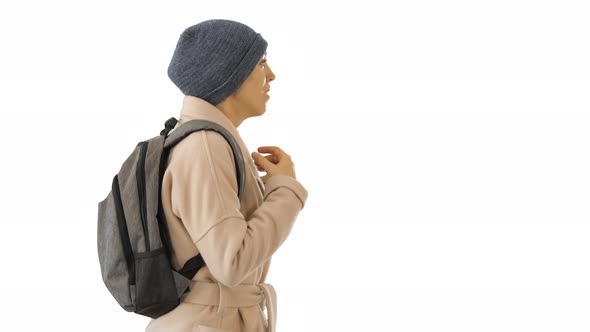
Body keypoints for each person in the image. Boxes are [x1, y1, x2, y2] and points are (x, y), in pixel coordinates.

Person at [144, 19, 308, 332]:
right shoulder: (205, 146)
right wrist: (285, 190)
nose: (271, 75)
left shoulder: (206, 141)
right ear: (229, 76)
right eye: (261, 63)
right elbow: (231, 262)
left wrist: (264, 189)